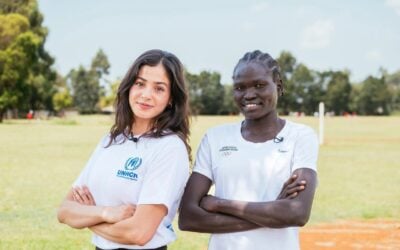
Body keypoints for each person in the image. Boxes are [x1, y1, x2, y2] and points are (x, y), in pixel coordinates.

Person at [179, 50, 318, 250]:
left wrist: (220, 204)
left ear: (278, 86)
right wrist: (273, 213)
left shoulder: (300, 137)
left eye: (259, 85)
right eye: (239, 87)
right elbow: (188, 217)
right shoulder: (215, 138)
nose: (249, 94)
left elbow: (297, 213)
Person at [57, 49, 191, 250]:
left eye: (159, 88)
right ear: (129, 87)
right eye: (140, 83)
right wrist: (104, 213)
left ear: (171, 98)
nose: (146, 95)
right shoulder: (111, 140)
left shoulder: (169, 148)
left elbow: (138, 233)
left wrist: (87, 217)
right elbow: (65, 211)